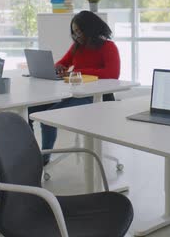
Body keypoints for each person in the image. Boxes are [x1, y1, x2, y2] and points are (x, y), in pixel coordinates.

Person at [28, 11, 120, 165]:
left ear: (90, 29)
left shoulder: (108, 47)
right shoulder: (77, 47)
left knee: (48, 116)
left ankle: (43, 158)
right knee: (29, 111)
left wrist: (79, 71)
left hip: (95, 98)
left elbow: (112, 74)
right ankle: (30, 154)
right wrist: (58, 68)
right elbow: (63, 62)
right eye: (74, 32)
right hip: (74, 93)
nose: (76, 35)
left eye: (79, 31)